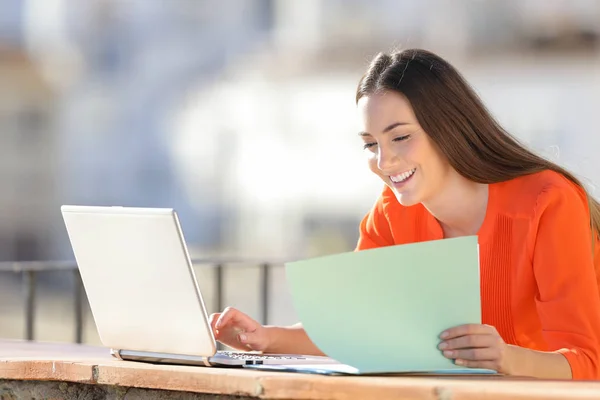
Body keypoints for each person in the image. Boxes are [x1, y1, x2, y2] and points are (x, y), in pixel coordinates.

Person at [209, 48, 600, 380]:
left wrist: (507, 358)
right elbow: (358, 325)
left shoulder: (548, 202)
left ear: (448, 128)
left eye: (400, 137)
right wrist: (265, 338)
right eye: (370, 144)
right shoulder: (390, 212)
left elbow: (589, 363)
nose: (384, 160)